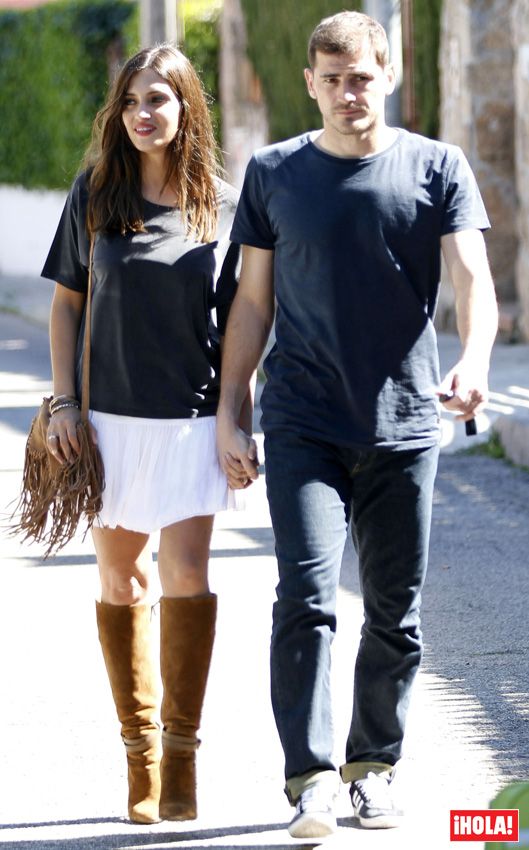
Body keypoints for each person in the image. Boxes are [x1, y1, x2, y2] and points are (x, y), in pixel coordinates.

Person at [216, 10, 498, 838]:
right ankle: (309, 781)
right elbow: (253, 301)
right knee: (304, 598)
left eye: (361, 78)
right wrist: (233, 414)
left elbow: (473, 276)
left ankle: (372, 765)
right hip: (302, 419)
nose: (348, 93)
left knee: (392, 609)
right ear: (310, 83)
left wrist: (475, 360)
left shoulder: (436, 166)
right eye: (332, 79)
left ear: (388, 76)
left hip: (406, 422)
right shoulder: (273, 173)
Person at [41, 44, 248, 824]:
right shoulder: (95, 193)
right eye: (131, 102)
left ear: (186, 106)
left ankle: (183, 758)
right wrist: (64, 405)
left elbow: (241, 325)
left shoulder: (222, 207)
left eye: (158, 99)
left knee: (185, 576)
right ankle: (142, 762)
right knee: (120, 582)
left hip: (192, 423)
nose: (142, 114)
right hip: (107, 422)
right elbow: (67, 304)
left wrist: (235, 418)